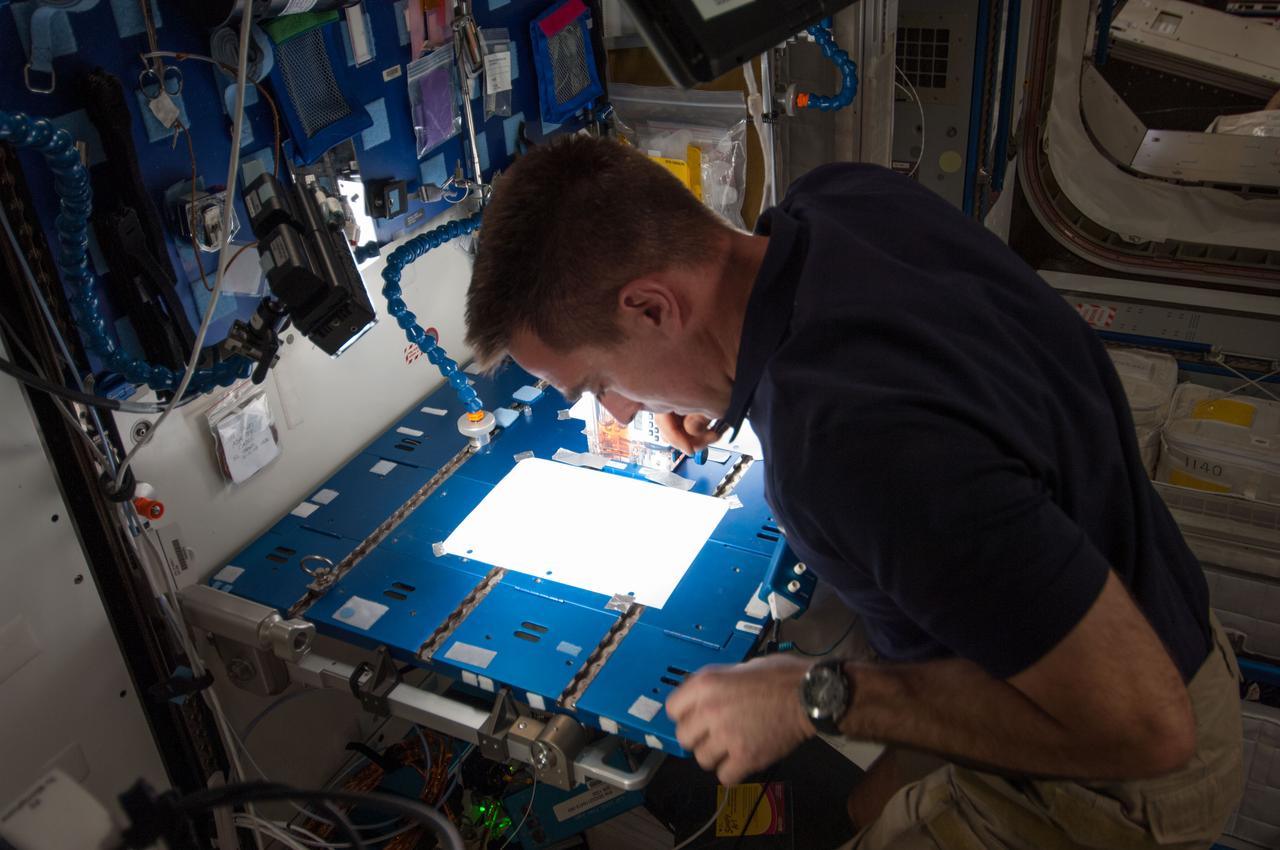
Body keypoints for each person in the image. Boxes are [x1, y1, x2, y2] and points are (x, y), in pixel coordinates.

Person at [463, 135, 1243, 849]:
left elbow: (1147, 731)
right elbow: (897, 370)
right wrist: (702, 381)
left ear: (652, 306)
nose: (620, 409)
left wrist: (811, 694)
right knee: (869, 812)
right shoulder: (842, 199)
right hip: (1153, 616)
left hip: (1116, 769)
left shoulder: (844, 451)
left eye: (601, 382)